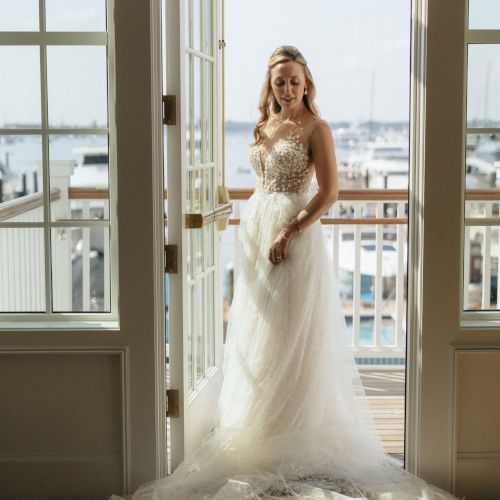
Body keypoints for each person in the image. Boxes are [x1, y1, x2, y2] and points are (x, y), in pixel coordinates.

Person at [112, 46, 460, 500]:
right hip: (257, 233)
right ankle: (263, 423)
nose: (288, 88)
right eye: (281, 82)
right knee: (263, 332)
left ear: (307, 82)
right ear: (270, 85)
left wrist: (289, 231)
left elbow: (331, 192)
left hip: (294, 239)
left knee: (295, 332)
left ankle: (295, 427)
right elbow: (261, 184)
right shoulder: (263, 126)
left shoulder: (318, 128)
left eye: (295, 81)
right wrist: (259, 229)